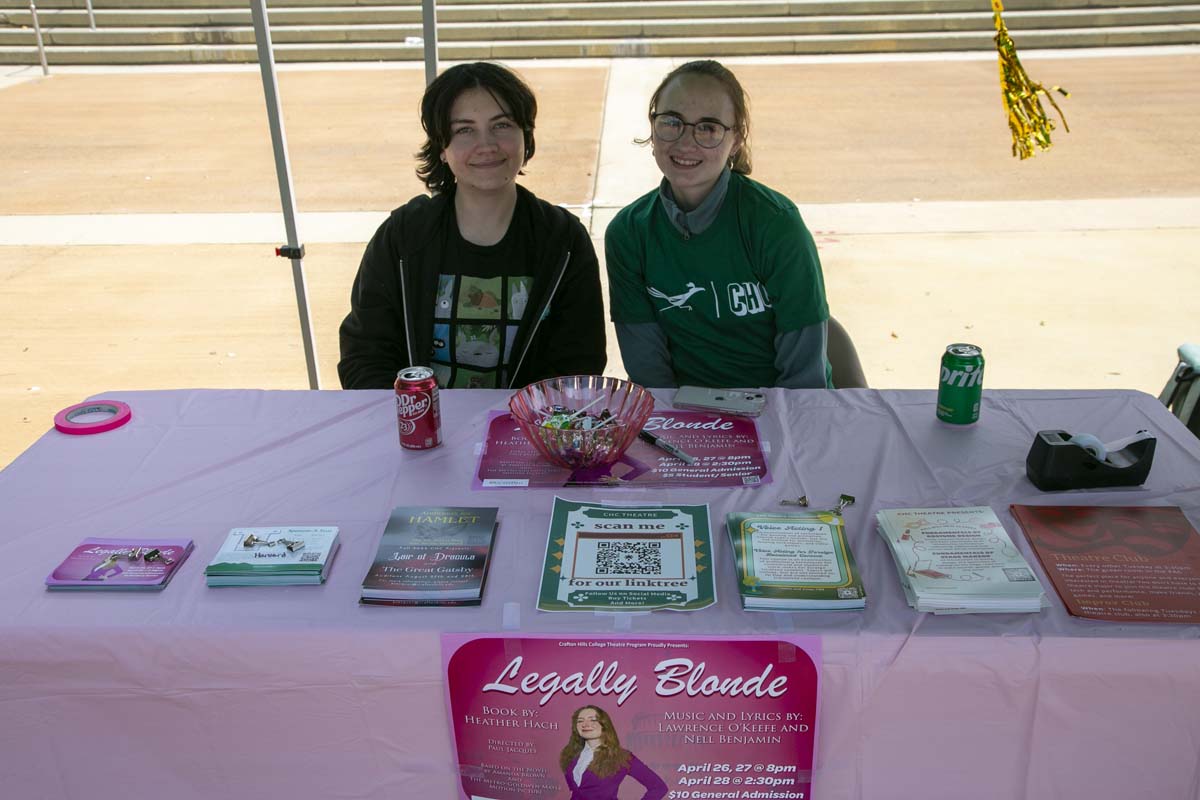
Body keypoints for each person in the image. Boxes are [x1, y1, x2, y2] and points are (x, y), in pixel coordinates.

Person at [338, 62, 607, 390]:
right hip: (421, 430)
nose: (487, 145)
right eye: (465, 130)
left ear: (527, 136)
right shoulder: (403, 236)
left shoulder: (563, 240)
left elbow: (579, 363)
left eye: (502, 125)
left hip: (527, 431)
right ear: (441, 147)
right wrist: (414, 420)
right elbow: (365, 354)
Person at [605, 59, 834, 390]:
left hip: (777, 412)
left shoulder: (775, 224)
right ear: (653, 128)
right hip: (684, 416)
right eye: (672, 122)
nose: (686, 142)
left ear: (736, 139)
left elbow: (804, 382)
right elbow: (650, 377)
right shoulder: (628, 233)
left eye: (708, 128)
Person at [559, 705, 667, 800]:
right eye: (580, 721)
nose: (585, 724)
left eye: (592, 720)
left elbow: (659, 787)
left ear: (604, 724)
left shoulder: (622, 757)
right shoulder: (570, 754)